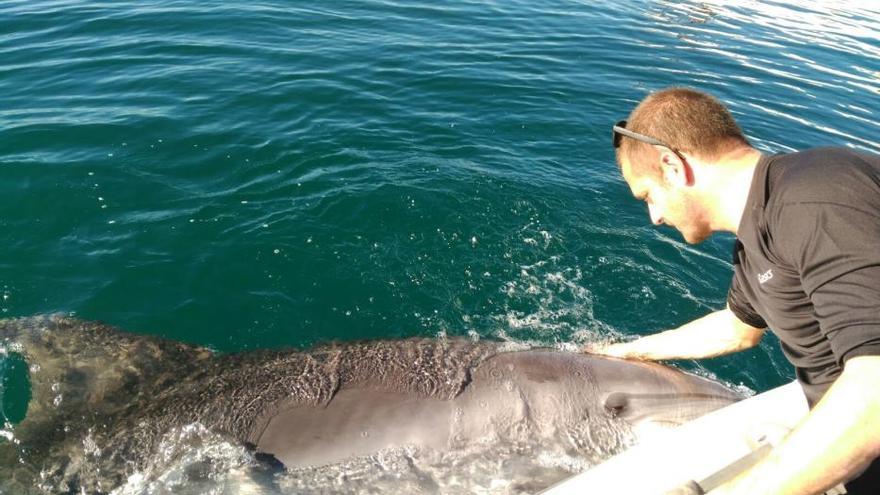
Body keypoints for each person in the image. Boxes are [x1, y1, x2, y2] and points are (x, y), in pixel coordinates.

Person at [592, 87, 880, 495]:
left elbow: (874, 392)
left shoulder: (816, 197)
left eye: (649, 196)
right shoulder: (761, 232)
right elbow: (737, 328)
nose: (654, 216)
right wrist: (628, 351)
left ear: (673, 167)